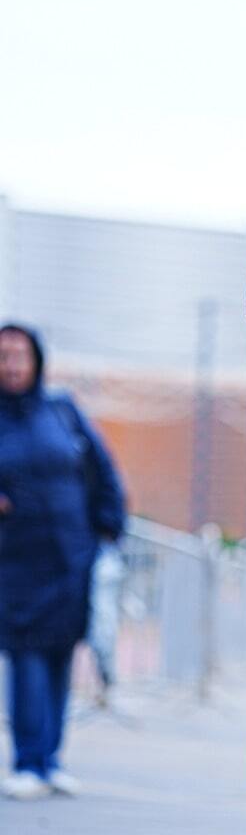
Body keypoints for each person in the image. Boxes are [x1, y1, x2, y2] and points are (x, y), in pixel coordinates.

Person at [0, 325, 126, 799]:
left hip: (71, 557)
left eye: (19, 354)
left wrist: (109, 525)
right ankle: (27, 761)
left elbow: (101, 467)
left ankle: (51, 758)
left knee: (59, 652)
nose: (12, 364)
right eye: (3, 356)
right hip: (14, 561)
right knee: (26, 654)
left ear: (35, 359)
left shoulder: (62, 411)